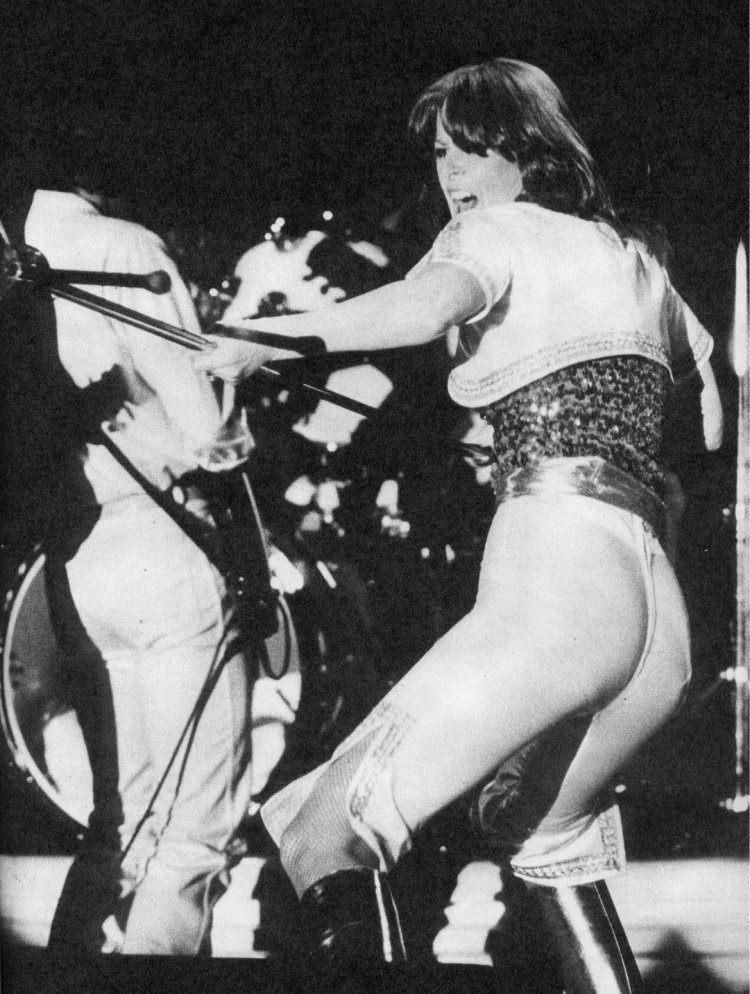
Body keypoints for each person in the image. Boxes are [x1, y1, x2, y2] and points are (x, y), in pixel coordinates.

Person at [195, 58, 723, 991]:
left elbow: (425, 306)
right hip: (656, 627)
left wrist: (267, 341)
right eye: (440, 155)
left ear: (525, 150)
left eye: (468, 150)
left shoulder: (493, 232)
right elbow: (710, 413)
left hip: (557, 586)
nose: (449, 174)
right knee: (544, 836)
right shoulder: (638, 261)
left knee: (325, 831)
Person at [22, 126, 265, 956]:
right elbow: (205, 429)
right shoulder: (121, 247)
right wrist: (235, 391)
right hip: (163, 543)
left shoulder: (17, 250)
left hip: (73, 556)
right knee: (195, 832)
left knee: (121, 821)